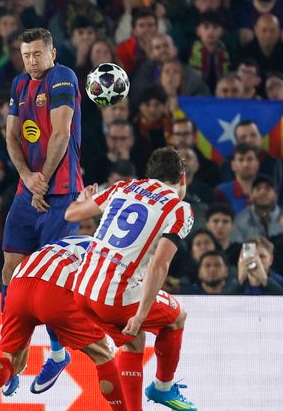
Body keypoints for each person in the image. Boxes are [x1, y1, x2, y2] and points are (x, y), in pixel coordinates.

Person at [65, 146, 197, 411]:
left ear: (150, 175)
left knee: (134, 342)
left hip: (81, 291)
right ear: (182, 179)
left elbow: (72, 214)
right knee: (177, 317)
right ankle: (163, 388)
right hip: (116, 298)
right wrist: (140, 315)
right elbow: (159, 265)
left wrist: (84, 198)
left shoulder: (123, 187)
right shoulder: (179, 209)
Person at [0, 27, 83, 394]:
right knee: (10, 270)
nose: (31, 60)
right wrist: (27, 177)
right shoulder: (19, 84)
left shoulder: (63, 77)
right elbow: (11, 136)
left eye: (37, 54)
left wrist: (43, 180)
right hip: (27, 190)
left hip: (61, 193)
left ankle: (56, 353)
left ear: (52, 54)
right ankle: (11, 358)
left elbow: (62, 134)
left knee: (48, 280)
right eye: (26, 54)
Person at [0, 235, 128, 411]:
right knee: (104, 354)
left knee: (13, 362)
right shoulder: (113, 254)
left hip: (18, 285)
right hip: (54, 292)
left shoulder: (72, 239)